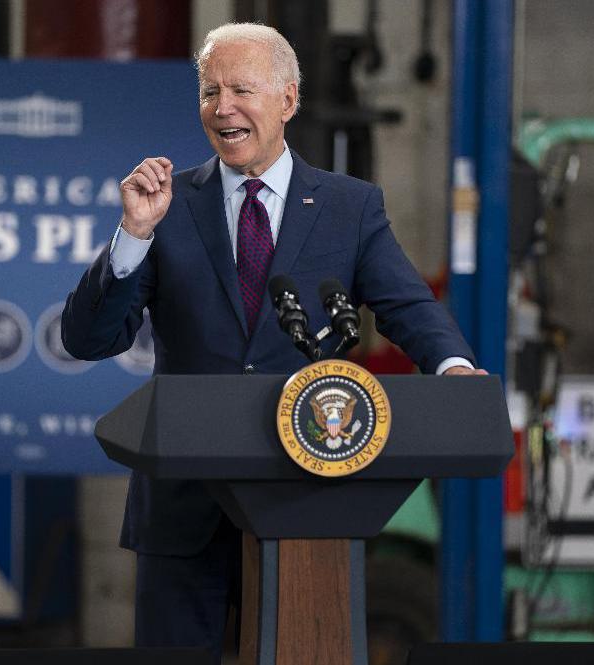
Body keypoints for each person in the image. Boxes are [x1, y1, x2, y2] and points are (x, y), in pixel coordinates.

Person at [61, 22, 485, 660]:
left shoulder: (351, 207)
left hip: (307, 500)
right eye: (209, 92)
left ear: (288, 100)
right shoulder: (167, 207)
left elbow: (407, 305)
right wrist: (132, 234)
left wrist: (452, 368)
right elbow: (88, 339)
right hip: (185, 511)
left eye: (240, 90)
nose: (222, 107)